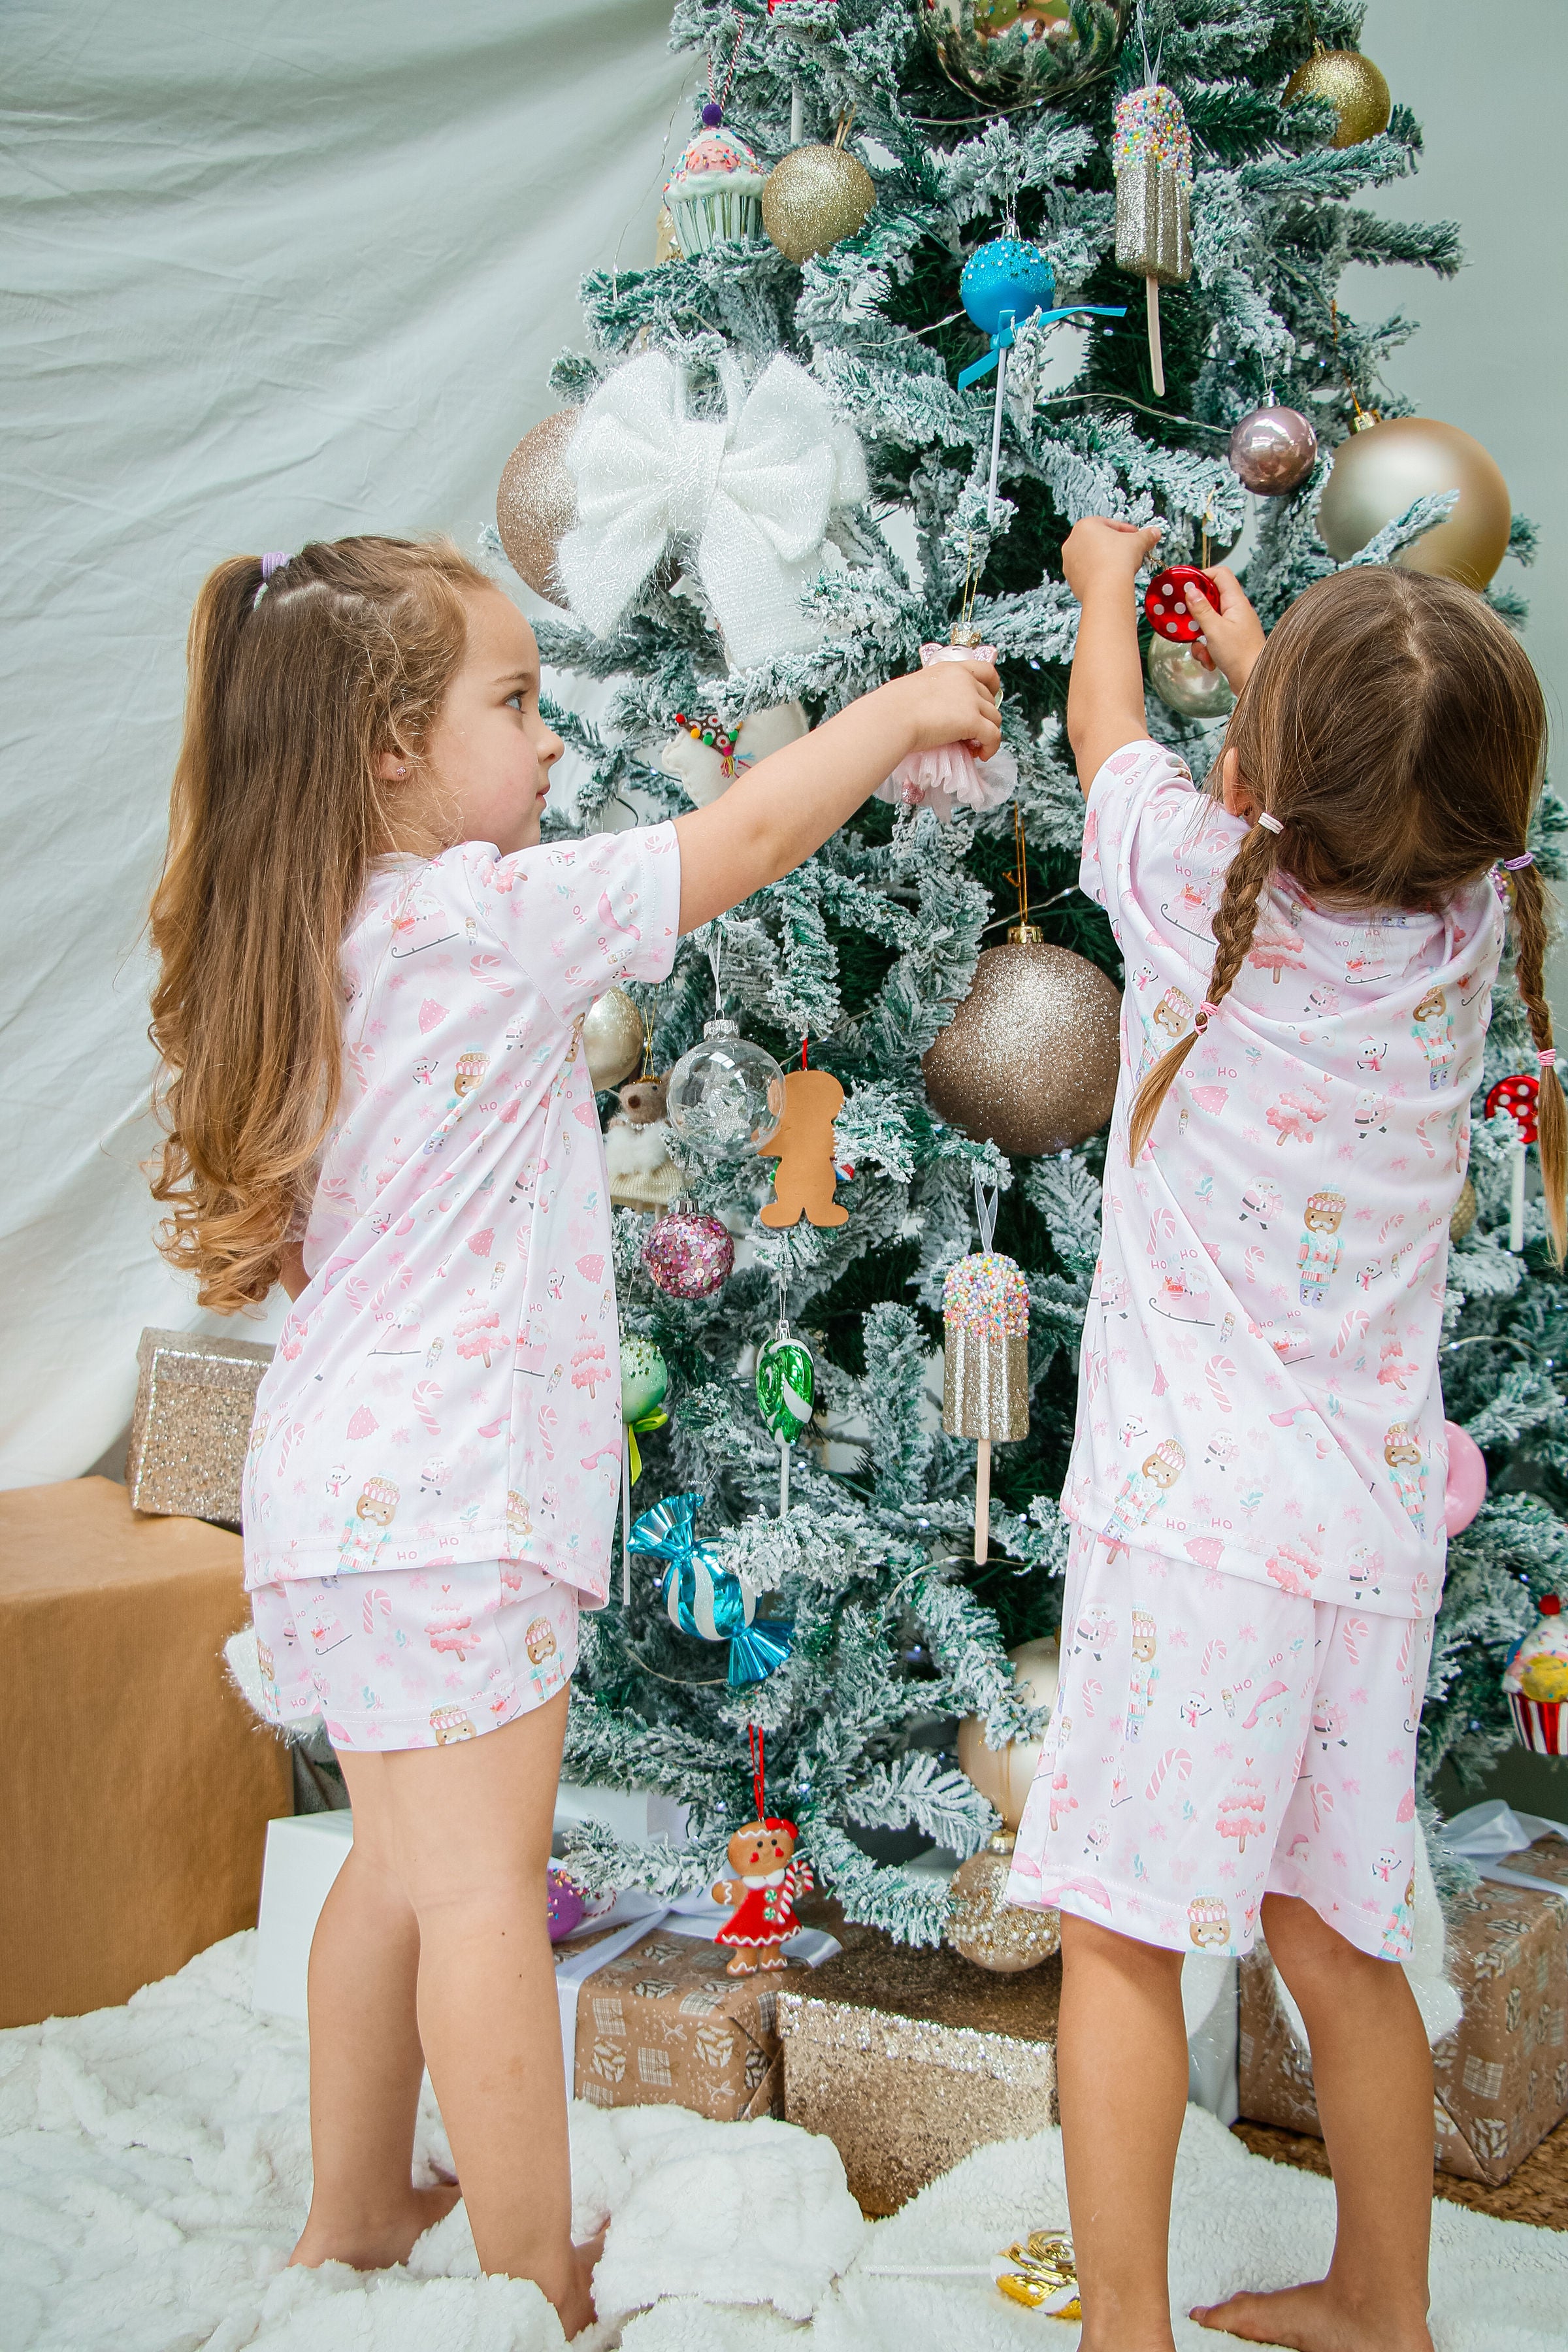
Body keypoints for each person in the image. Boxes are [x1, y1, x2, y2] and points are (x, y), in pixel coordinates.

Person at [147, 536, 1000, 2334]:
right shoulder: (475, 916)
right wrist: (910, 704)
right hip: (455, 1493)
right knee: (476, 1904)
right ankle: (530, 2276)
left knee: (395, 1871)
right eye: (514, 704)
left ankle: (361, 2205)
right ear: (389, 746)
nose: (550, 745)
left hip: (341, 1490)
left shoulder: (309, 942)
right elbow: (745, 841)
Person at [1005, 519, 1554, 2352]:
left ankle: (1125, 2334)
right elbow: (1383, 811)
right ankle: (1387, 2308)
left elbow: (1106, 751)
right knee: (1338, 1933)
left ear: (1252, 788)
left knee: (1122, 1934)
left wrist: (1104, 596)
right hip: (1367, 1540)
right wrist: (1268, 681)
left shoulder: (1190, 879)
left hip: (1187, 1533)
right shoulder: (1472, 924)